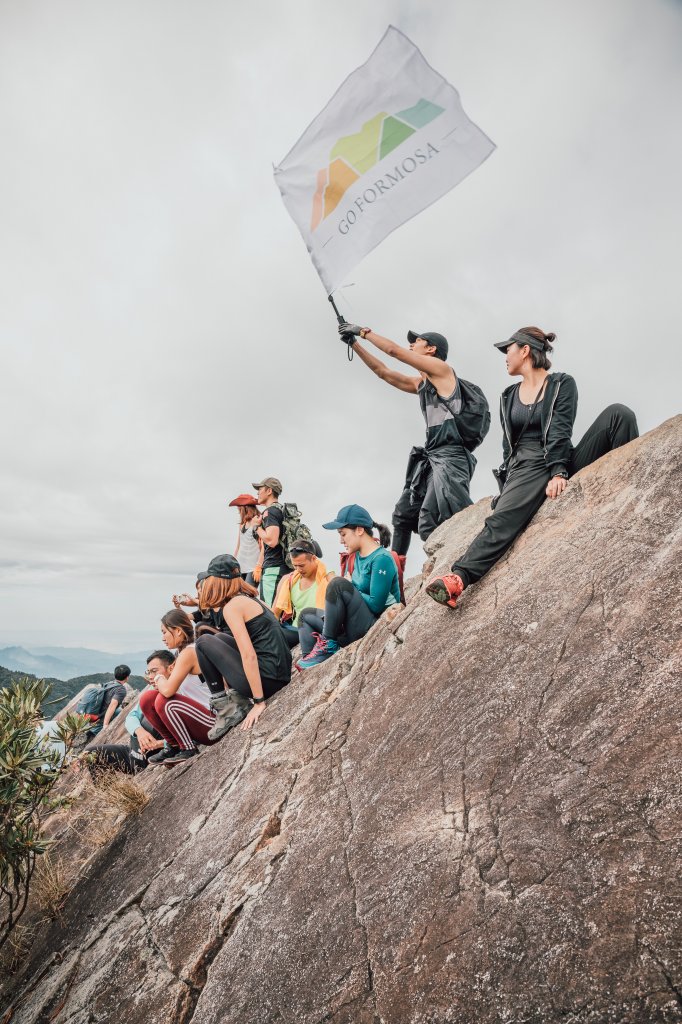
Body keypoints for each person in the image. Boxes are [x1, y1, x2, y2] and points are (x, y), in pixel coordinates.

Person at [426, 327, 639, 608]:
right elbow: (507, 448)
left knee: (619, 414)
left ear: (524, 350)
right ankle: (459, 578)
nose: (505, 356)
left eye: (508, 350)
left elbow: (560, 430)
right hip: (526, 465)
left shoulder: (562, 383)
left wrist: (558, 470)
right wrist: (507, 488)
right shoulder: (508, 395)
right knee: (503, 520)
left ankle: (630, 494)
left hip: (557, 456)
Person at [338, 321, 488, 556]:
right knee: (404, 513)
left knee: (434, 517)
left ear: (431, 349)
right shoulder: (422, 383)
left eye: (417, 340)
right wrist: (354, 344)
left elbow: (394, 352)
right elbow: (383, 373)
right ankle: (396, 571)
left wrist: (364, 332)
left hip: (451, 457)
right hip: (432, 457)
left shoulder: (442, 371)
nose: (411, 343)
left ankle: (461, 559)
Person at [194, 554, 292, 738]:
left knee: (203, 642)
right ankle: (236, 701)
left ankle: (226, 710)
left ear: (216, 581)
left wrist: (259, 702)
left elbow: (249, 655)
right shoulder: (250, 599)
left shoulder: (233, 607)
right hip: (279, 674)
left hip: (268, 681)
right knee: (221, 638)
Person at [297, 505, 401, 670]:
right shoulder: (356, 557)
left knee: (337, 584)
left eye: (343, 534)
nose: (341, 540)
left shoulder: (382, 559)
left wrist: (350, 585)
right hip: (352, 624)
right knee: (306, 616)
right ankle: (311, 661)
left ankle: (328, 645)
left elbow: (376, 605)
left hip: (371, 625)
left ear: (359, 530)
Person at [139, 612, 216, 765]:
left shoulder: (190, 652)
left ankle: (188, 748)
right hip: (197, 718)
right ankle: (173, 745)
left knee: (164, 700)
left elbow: (168, 691)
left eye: (165, 632)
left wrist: (159, 677)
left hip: (212, 722)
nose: (163, 638)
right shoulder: (180, 654)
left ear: (178, 631)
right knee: (147, 699)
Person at [272, 539, 334, 650]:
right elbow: (275, 614)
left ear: (314, 559)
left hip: (312, 630)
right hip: (292, 628)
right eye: (295, 566)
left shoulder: (328, 578)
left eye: (301, 565)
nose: (298, 569)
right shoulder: (289, 580)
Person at [250, 477, 289, 606]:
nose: (257, 492)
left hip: (274, 569)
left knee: (269, 609)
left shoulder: (270, 512)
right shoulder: (282, 510)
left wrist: (256, 526)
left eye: (260, 489)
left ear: (269, 491)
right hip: (285, 567)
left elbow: (272, 541)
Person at [81, 664, 129, 742]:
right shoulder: (121, 690)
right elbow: (112, 706)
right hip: (101, 715)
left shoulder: (110, 683)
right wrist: (105, 724)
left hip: (96, 709)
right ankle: (90, 735)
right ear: (127, 677)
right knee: (96, 731)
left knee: (120, 711)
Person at [229, 493, 264, 586]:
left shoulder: (257, 522)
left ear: (245, 508)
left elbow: (264, 547)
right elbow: (238, 546)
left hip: (253, 568)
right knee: (239, 594)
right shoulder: (242, 525)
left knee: (248, 595)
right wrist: (233, 563)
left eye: (239, 509)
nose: (239, 511)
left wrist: (259, 566)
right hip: (240, 566)